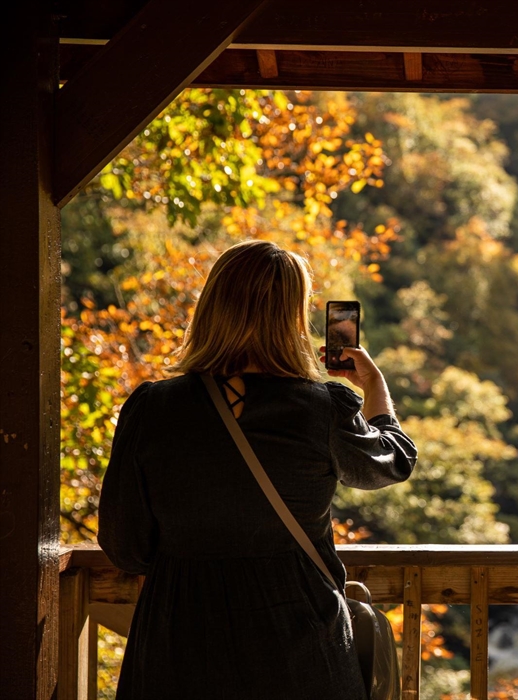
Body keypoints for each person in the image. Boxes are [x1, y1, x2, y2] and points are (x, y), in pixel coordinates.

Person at [98, 239, 417, 699]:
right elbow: (393, 461)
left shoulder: (152, 410)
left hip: (177, 642)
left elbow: (125, 547)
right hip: (299, 647)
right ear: (290, 316)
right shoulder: (321, 409)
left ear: (212, 305)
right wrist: (375, 388)